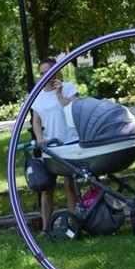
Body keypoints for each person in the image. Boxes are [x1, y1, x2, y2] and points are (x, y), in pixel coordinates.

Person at [32, 57, 80, 234]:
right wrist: (39, 138)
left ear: (56, 72)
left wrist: (59, 95)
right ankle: (45, 228)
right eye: (42, 73)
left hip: (69, 141)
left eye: (48, 72)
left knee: (69, 184)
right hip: (49, 145)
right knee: (47, 188)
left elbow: (74, 111)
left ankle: (72, 223)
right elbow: (35, 121)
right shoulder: (37, 95)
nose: (45, 76)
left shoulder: (68, 88)